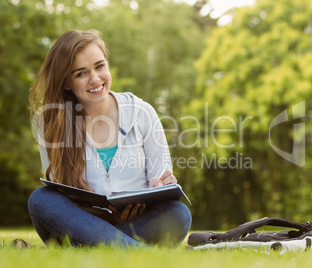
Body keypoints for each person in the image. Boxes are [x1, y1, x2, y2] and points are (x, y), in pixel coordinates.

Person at [28, 29, 191, 248]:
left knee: (178, 213)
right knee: (42, 199)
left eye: (100, 66)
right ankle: (140, 254)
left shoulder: (142, 113)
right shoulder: (51, 122)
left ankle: (88, 249)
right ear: (66, 82)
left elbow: (160, 179)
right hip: (80, 224)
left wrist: (161, 185)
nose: (95, 79)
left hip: (138, 223)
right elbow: (62, 194)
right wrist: (107, 219)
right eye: (80, 73)